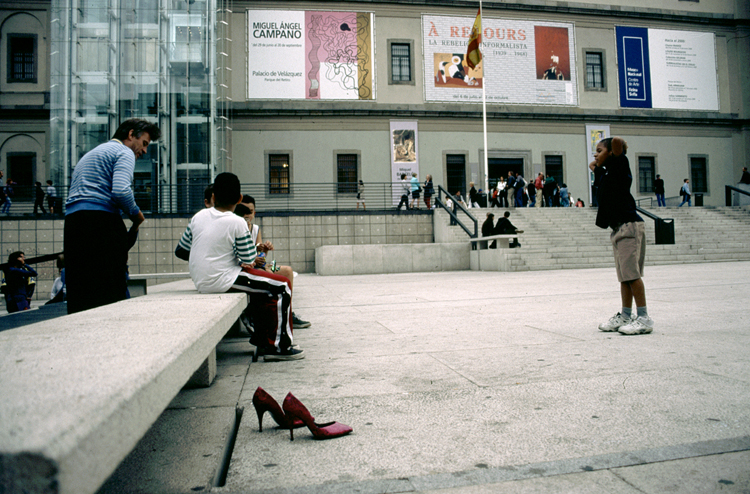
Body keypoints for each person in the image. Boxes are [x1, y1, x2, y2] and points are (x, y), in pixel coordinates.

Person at [175, 173, 303, 361]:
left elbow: (181, 251)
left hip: (210, 277)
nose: (248, 214)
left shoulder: (200, 217)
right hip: (232, 275)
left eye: (250, 211)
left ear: (213, 197)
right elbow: (250, 259)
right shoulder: (238, 222)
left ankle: (267, 335)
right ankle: (280, 346)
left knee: (275, 279)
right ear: (239, 199)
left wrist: (206, 258)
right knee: (282, 283)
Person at [64, 118, 160, 314]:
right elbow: (121, 191)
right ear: (131, 134)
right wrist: (137, 215)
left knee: (81, 287)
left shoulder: (92, 154)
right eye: (144, 144)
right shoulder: (124, 152)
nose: (144, 151)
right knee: (111, 287)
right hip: (101, 221)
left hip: (74, 222)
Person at [590, 136, 653, 335]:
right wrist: (601, 159)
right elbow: (593, 165)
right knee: (624, 277)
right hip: (618, 228)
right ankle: (626, 315)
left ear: (612, 152)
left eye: (599, 150)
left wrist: (615, 148)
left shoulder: (619, 165)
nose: (595, 154)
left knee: (632, 275)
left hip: (629, 226)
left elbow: (616, 141)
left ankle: (643, 318)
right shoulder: (607, 174)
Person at [237, 195, 310, 329]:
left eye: (250, 212)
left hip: (260, 265)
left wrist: (265, 250)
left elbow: (261, 259)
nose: (247, 215)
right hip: (247, 267)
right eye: (244, 212)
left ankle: (288, 312)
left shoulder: (255, 229)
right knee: (270, 272)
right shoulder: (237, 227)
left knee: (287, 270)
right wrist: (259, 262)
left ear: (254, 213)